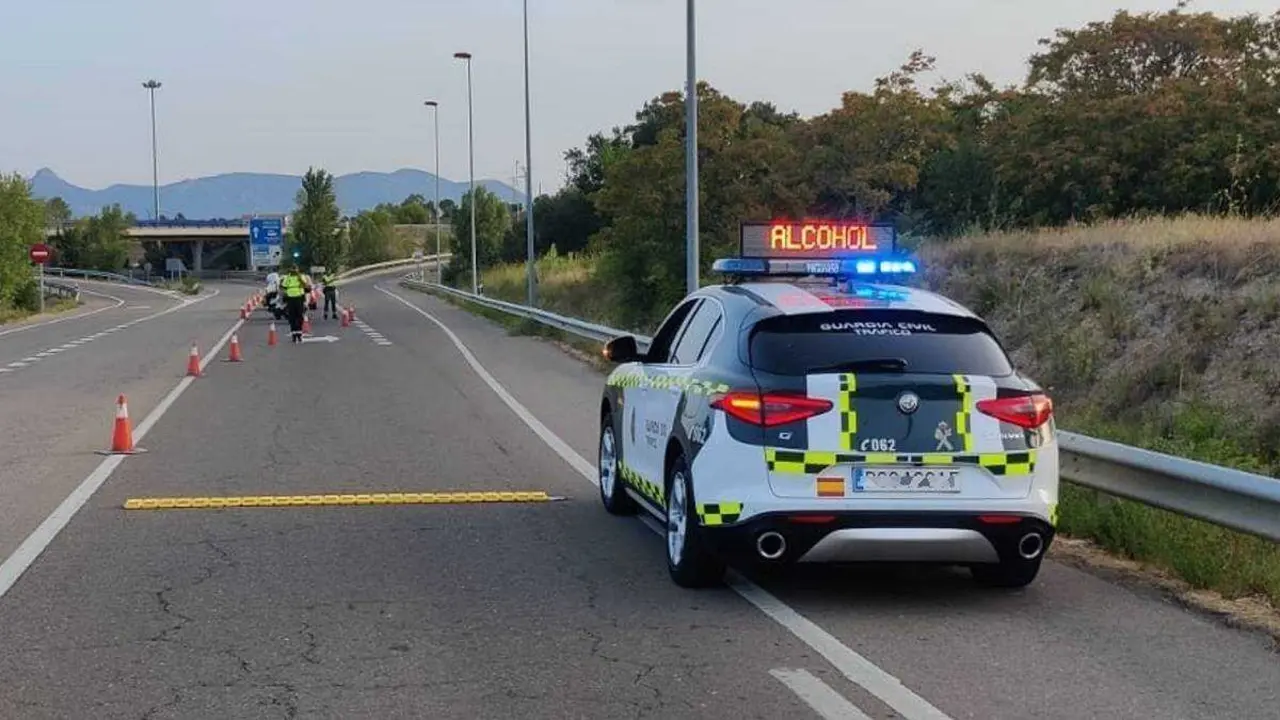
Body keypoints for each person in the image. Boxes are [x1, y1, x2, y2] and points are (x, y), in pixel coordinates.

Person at [279, 266, 310, 343]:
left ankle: (299, 333)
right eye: (292, 269)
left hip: (299, 298)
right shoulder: (287, 277)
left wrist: (300, 279)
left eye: (295, 269)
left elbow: (305, 285)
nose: (294, 271)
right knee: (292, 317)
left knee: (299, 316)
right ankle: (294, 333)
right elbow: (283, 286)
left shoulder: (301, 276)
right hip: (291, 299)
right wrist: (285, 293)